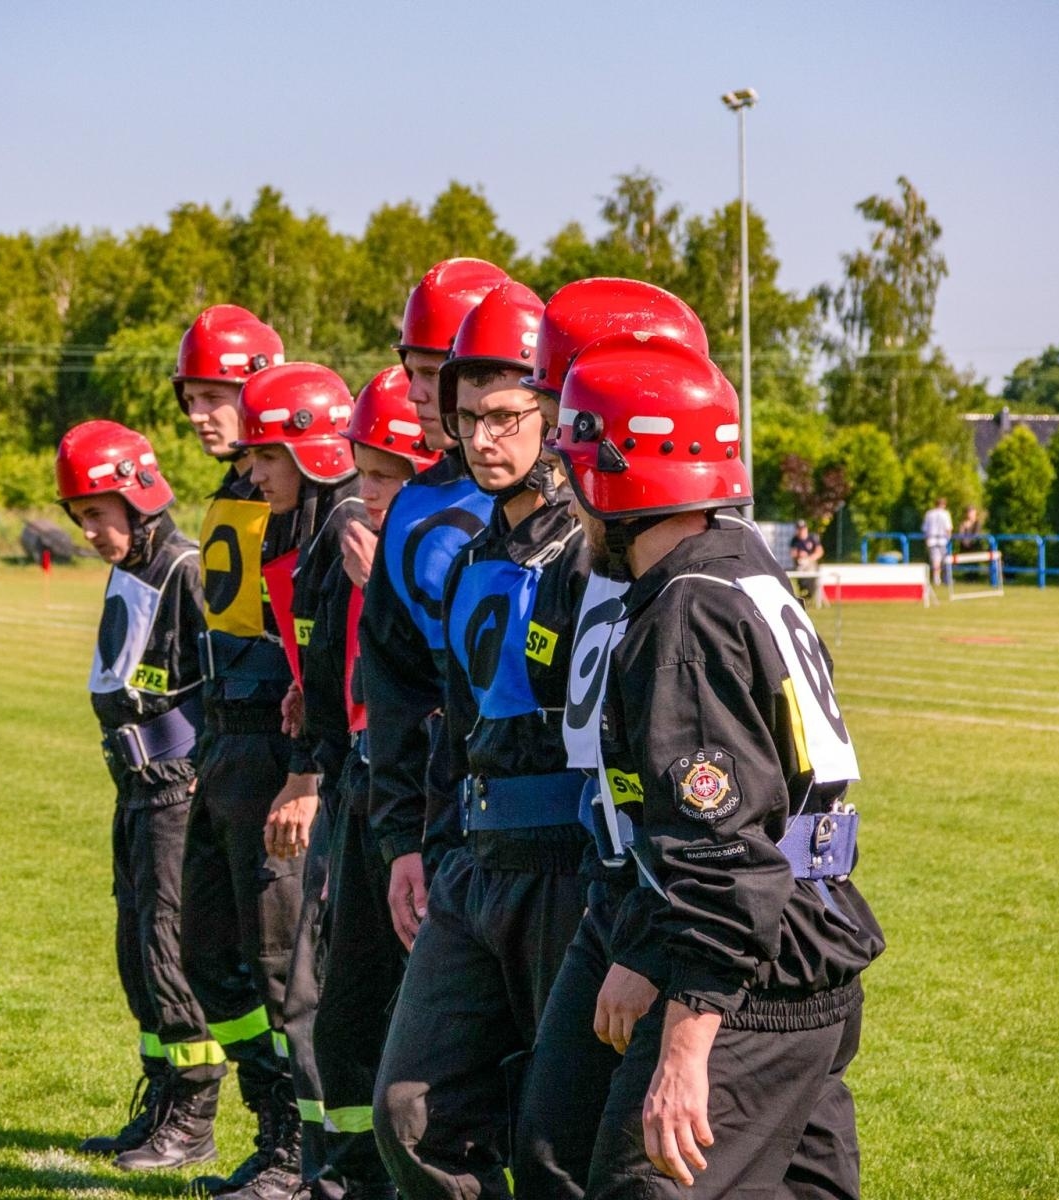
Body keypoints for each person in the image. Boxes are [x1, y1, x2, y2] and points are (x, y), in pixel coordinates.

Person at [549, 333, 884, 1200]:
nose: (569, 498)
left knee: (642, 1184)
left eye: (574, 469)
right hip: (811, 942)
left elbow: (722, 850)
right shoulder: (745, 572)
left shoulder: (686, 612)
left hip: (751, 978)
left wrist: (684, 1050)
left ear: (618, 475)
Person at [372, 279, 596, 1200]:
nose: (483, 439)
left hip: (568, 870)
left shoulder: (594, 555)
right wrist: (422, 848)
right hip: (472, 866)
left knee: (559, 1138)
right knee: (410, 1113)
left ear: (552, 415)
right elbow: (452, 733)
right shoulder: (470, 561)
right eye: (468, 419)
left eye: (506, 417)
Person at [507, 278, 713, 1200]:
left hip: (673, 897)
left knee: (642, 1163)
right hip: (611, 875)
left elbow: (718, 813)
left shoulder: (690, 575)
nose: (561, 436)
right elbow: (553, 688)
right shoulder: (587, 549)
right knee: (551, 1144)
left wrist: (650, 940)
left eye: (569, 407)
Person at [57, 420, 224, 1167]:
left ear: (139, 497)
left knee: (167, 952)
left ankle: (194, 1113)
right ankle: (161, 1097)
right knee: (135, 954)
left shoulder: (186, 569)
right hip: (133, 789)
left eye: (98, 513)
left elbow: (220, 686)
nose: (90, 531)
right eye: (80, 517)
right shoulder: (133, 566)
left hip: (177, 791)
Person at [160, 305, 302, 1184]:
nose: (202, 415)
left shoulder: (301, 493)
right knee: (207, 953)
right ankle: (271, 1113)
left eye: (217, 395)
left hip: (275, 752)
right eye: (192, 399)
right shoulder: (236, 490)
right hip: (223, 742)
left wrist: (306, 768)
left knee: (282, 964)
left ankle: (301, 1144)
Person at [310, 365, 439, 1200]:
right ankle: (350, 1180)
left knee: (418, 1027)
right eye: (362, 473)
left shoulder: (440, 549)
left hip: (430, 804)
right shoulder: (363, 544)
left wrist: (378, 585)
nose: (368, 493)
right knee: (346, 1011)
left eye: (387, 476)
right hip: (366, 788)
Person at [237, 362, 365, 1200]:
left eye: (266, 455)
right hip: (340, 780)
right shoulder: (306, 529)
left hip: (352, 790)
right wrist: (301, 681)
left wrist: (308, 775)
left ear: (315, 452)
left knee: (318, 990)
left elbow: (364, 677)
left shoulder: (345, 527)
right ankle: (320, 1169)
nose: (253, 474)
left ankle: (329, 1173)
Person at [362, 258, 509, 954]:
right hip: (447, 819)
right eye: (411, 370)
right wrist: (401, 837)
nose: (414, 392)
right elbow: (393, 687)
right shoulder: (411, 507)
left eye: (432, 372)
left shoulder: (569, 507)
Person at [789, 520, 825, 600]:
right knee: (800, 571)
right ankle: (804, 592)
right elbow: (792, 553)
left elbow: (820, 552)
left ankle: (810, 593)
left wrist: (808, 558)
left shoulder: (812, 538)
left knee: (811, 574)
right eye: (799, 529)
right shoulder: (795, 540)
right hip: (800, 564)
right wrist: (799, 554)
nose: (801, 531)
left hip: (811, 564)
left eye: (802, 528)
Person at [922, 496, 952, 588]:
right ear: (944, 505)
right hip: (943, 540)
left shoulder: (929, 514)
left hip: (931, 540)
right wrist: (949, 539)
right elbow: (948, 528)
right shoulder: (945, 514)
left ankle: (937, 578)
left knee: (935, 560)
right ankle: (944, 578)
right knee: (944, 560)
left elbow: (925, 529)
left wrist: (926, 540)